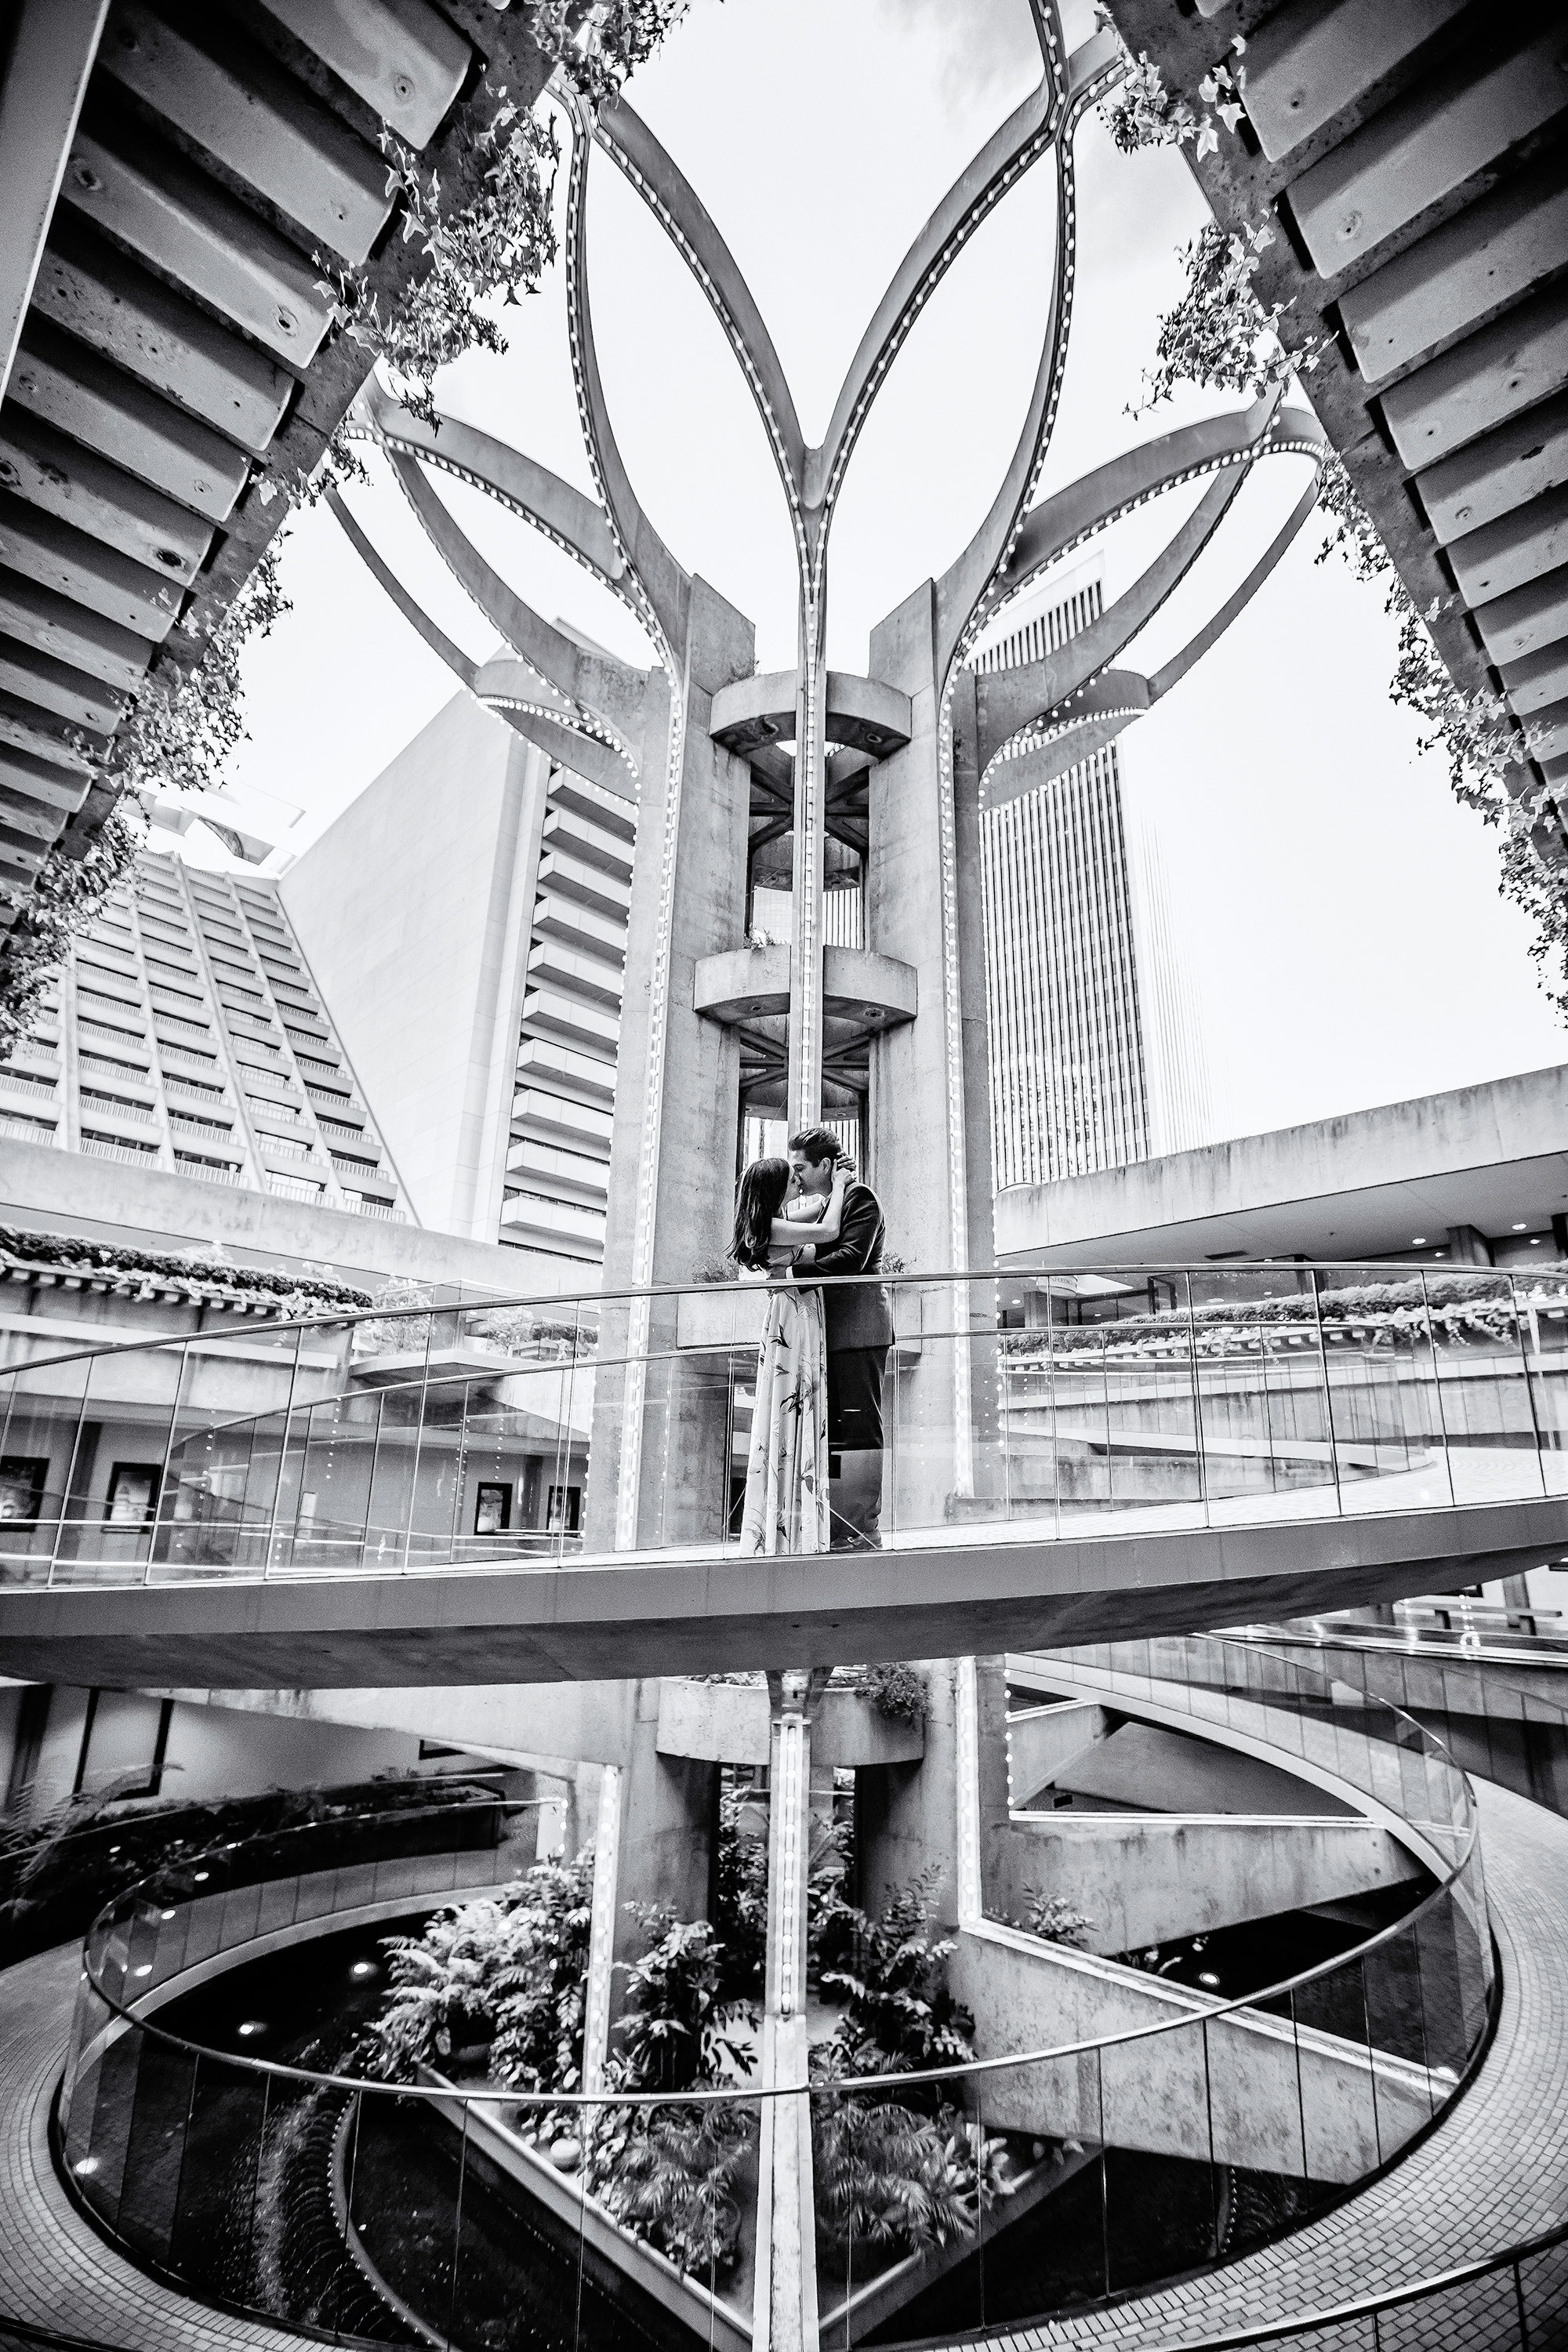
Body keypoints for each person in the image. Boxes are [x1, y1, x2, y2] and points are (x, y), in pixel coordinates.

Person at [731, 1152, 850, 1555]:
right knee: (792, 1408)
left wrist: (838, 1180)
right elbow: (829, 1229)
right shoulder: (772, 1226)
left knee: (792, 1410)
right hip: (792, 1319)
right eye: (791, 1177)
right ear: (775, 1187)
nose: (797, 1182)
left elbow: (819, 1208)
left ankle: (788, 1525)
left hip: (797, 1313)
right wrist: (837, 1187)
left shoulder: (773, 1223)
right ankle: (789, 1532)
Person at [786, 1125, 892, 1550]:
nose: (796, 1179)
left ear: (826, 1166)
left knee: (860, 1428)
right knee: (834, 1431)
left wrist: (792, 1271)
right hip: (830, 1333)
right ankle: (835, 1527)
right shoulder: (825, 1207)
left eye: (801, 1169)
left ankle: (863, 1529)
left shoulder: (860, 1197)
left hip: (859, 1330)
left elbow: (852, 1259)